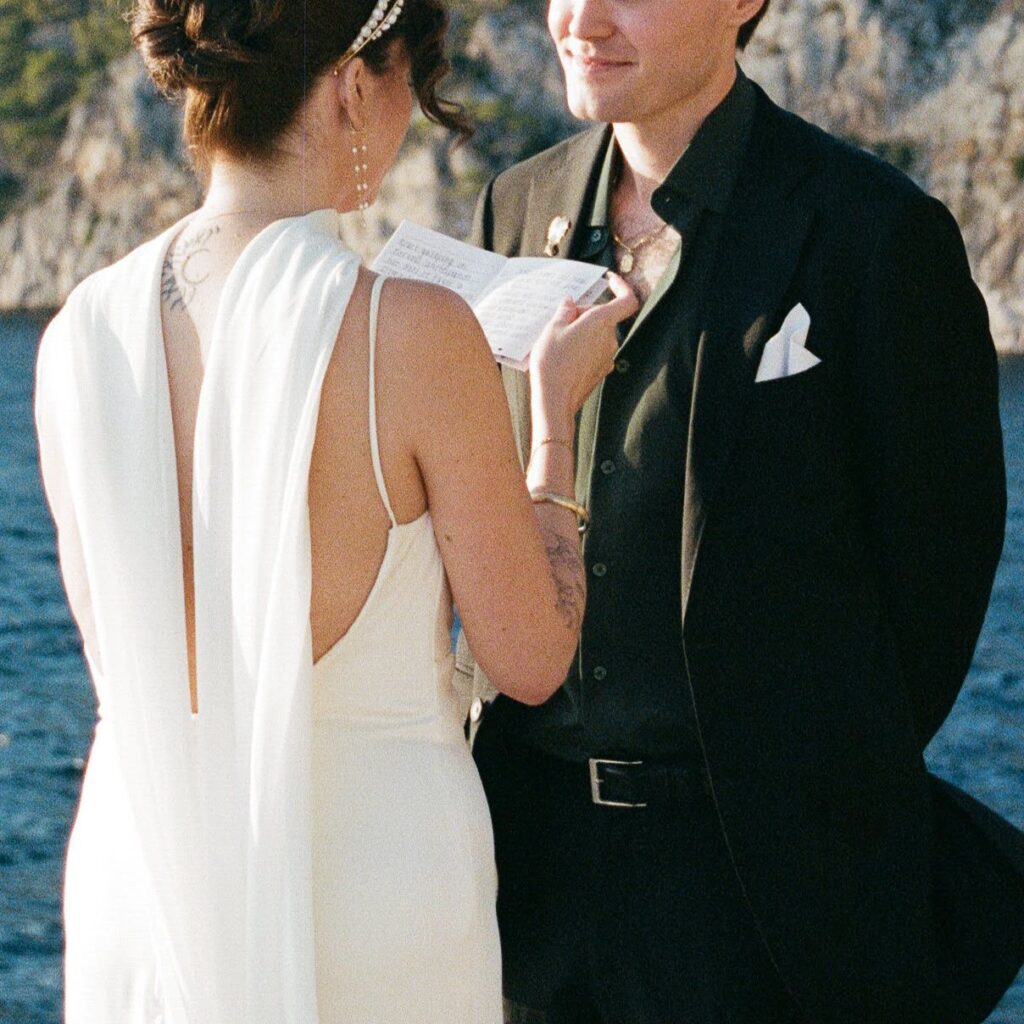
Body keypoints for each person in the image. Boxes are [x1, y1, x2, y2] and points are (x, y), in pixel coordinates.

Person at [33, 0, 638, 1020]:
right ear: (355, 85)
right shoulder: (411, 330)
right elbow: (529, 658)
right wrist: (550, 426)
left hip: (143, 881)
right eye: (415, 84)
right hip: (371, 888)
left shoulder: (77, 332)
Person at [459, 0, 1024, 1021]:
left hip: (765, 903)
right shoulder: (516, 204)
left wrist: (805, 791)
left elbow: (933, 595)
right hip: (526, 880)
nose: (580, 17)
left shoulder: (876, 234)